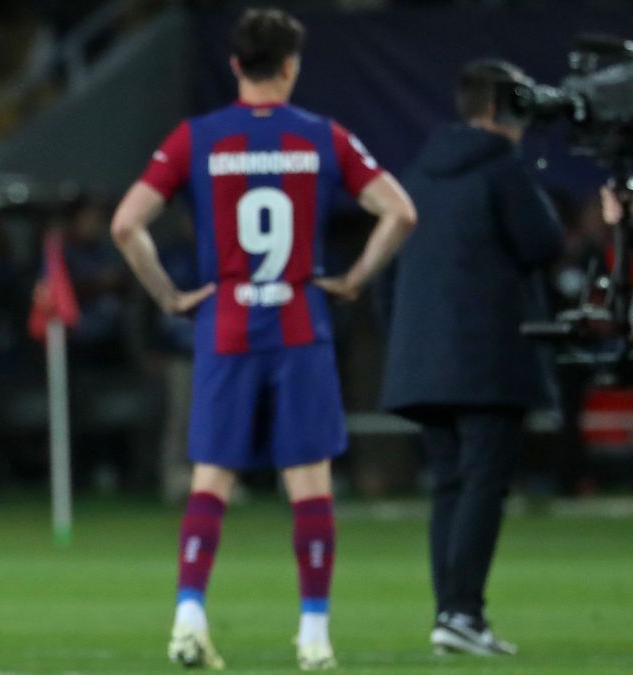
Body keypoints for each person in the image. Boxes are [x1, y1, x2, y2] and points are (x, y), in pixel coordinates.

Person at [110, 8, 416, 670]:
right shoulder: (321, 137)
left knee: (212, 477)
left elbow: (126, 223)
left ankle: (188, 616)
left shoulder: (197, 138)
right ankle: (313, 636)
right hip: (300, 323)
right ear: (290, 67)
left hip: (226, 323)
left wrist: (168, 294)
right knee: (309, 482)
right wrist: (357, 276)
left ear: (234, 67)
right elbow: (399, 210)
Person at [378, 59, 564, 657]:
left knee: (451, 487)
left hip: (423, 356)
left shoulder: (417, 173)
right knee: (484, 482)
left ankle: (451, 615)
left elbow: (390, 266)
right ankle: (462, 612)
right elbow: (542, 243)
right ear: (499, 109)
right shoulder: (502, 169)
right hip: (487, 355)